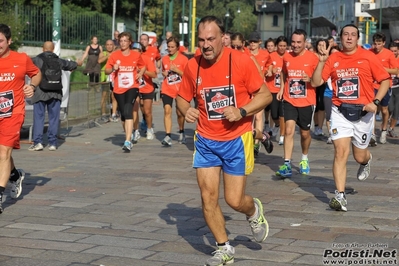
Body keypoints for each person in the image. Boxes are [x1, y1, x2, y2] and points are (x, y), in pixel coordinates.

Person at [176, 16, 272, 266]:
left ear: (222, 38)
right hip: (206, 139)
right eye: (201, 40)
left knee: (234, 200)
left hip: (235, 139)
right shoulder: (192, 65)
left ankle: (253, 211)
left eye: (210, 39)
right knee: (208, 197)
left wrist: (241, 111)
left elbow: (265, 95)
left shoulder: (240, 61)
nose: (205, 45)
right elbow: (181, 97)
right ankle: (224, 247)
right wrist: (186, 110)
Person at [311, 24, 390, 211]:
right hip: (340, 111)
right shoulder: (333, 58)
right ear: (340, 37)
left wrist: (376, 102)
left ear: (357, 38)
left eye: (353, 35)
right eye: (345, 34)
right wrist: (322, 61)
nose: (349, 38)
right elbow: (316, 82)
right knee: (340, 152)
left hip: (363, 113)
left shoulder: (368, 56)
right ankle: (340, 196)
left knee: (359, 155)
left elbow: (385, 80)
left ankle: (366, 160)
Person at [0, 23, 41, 213]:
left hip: (14, 112)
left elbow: (36, 73)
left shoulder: (21, 59)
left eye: (0, 41)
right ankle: (15, 175)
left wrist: (31, 86)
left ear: (9, 41)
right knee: (2, 153)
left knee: (3, 152)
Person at [276, 29, 319, 178]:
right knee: (288, 130)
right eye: (293, 42)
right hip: (289, 99)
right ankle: (287, 163)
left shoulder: (313, 58)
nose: (295, 45)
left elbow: (320, 79)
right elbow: (283, 72)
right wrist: (282, 87)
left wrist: (311, 79)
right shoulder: (287, 56)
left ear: (305, 42)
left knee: (305, 133)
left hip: (307, 101)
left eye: (298, 42)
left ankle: (304, 159)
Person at [29, 41, 79, 152]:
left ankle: (38, 142)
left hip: (40, 92)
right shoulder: (59, 60)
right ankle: (52, 143)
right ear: (53, 49)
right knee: (54, 118)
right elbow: (72, 65)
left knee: (39, 118)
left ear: (43, 49)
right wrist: (77, 63)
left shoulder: (36, 60)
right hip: (55, 92)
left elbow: (25, 65)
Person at [105, 32, 146, 152]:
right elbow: (107, 70)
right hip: (119, 88)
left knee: (129, 110)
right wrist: (113, 68)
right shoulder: (114, 55)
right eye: (121, 41)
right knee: (123, 114)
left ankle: (127, 141)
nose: (122, 43)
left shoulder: (136, 55)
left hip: (132, 86)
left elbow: (142, 66)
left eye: (125, 41)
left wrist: (140, 73)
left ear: (130, 42)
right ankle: (129, 133)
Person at [370, 32, 398, 144]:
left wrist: (382, 68)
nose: (376, 46)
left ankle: (384, 130)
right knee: (373, 109)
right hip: (372, 85)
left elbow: (396, 70)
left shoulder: (389, 54)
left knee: (385, 110)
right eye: (375, 43)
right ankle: (371, 134)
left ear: (384, 43)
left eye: (379, 43)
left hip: (385, 85)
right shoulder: (370, 53)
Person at [160, 36, 188, 146]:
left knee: (180, 113)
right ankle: (168, 136)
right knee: (167, 110)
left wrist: (177, 70)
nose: (170, 49)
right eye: (168, 47)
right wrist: (164, 73)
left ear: (177, 48)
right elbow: (163, 71)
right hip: (167, 89)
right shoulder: (165, 59)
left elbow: (188, 75)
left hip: (180, 89)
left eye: (172, 47)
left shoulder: (183, 59)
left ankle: (181, 131)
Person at [247, 31, 271, 156]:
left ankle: (256, 143)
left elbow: (269, 65)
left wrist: (269, 70)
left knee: (259, 117)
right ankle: (252, 138)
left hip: (260, 88)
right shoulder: (245, 53)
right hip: (248, 89)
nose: (252, 44)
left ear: (260, 42)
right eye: (250, 42)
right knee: (249, 116)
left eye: (255, 42)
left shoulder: (265, 54)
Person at [265, 36, 288, 145]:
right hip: (272, 89)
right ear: (276, 46)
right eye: (280, 46)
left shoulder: (289, 56)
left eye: (284, 46)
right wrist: (270, 71)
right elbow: (266, 69)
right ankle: (277, 125)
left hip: (285, 90)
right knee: (274, 114)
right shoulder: (271, 56)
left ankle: (282, 136)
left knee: (282, 114)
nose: (282, 48)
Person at [131, 42, 157, 141]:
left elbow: (154, 74)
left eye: (137, 52)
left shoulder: (146, 59)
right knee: (134, 110)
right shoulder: (130, 59)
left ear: (141, 52)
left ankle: (149, 129)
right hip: (135, 88)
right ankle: (136, 130)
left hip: (147, 88)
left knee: (147, 111)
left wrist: (143, 71)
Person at [313, 39, 330, 137]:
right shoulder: (312, 56)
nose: (321, 47)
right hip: (313, 83)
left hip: (324, 83)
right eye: (319, 45)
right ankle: (316, 126)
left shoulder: (328, 57)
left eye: (323, 45)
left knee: (322, 106)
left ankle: (320, 127)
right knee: (315, 106)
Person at [98, 39, 116, 122]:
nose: (109, 46)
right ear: (105, 46)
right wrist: (108, 56)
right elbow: (99, 61)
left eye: (111, 44)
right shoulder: (103, 53)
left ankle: (114, 113)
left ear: (113, 46)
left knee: (114, 96)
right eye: (107, 44)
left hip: (114, 78)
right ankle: (103, 114)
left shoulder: (116, 54)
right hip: (105, 78)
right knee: (104, 96)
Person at [388, 42, 399, 137]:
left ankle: (391, 129)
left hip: (398, 88)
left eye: (395, 51)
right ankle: (387, 120)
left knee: (397, 109)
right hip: (389, 86)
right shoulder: (387, 60)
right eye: (391, 51)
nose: (393, 53)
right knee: (390, 108)